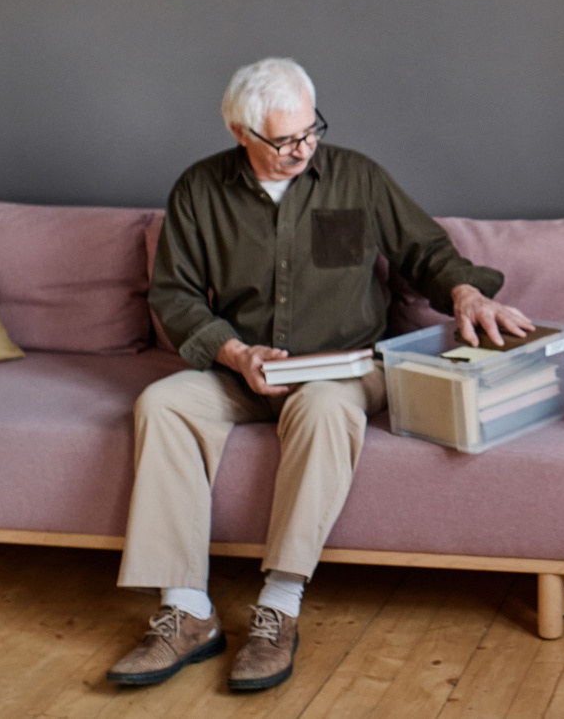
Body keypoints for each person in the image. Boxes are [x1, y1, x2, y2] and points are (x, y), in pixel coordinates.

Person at [107, 57, 531, 692]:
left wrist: (467, 294)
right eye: (283, 140)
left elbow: (426, 251)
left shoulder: (357, 178)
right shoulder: (198, 190)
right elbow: (176, 298)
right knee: (163, 401)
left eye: (311, 131)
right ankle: (187, 612)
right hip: (243, 369)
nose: (301, 149)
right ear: (239, 132)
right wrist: (236, 355)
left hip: (346, 367)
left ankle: (278, 607)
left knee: (326, 409)